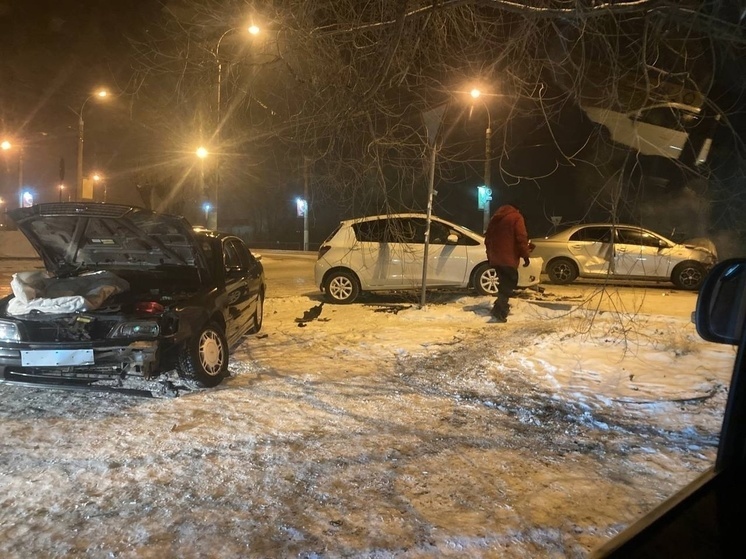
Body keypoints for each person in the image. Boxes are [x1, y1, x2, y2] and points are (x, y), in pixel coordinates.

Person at [484, 203, 532, 322]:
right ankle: (501, 311)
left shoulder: (495, 219)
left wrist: (490, 256)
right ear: (517, 208)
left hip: (496, 258)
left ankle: (498, 307)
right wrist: (525, 255)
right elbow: (521, 238)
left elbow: (487, 239)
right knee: (509, 284)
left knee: (503, 283)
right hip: (509, 259)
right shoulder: (516, 217)